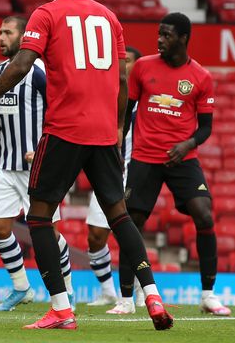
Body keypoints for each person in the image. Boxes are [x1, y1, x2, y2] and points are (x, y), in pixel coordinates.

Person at [0, 0, 173, 331]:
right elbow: (123, 80)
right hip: (103, 131)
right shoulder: (109, 18)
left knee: (39, 217)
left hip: (64, 130)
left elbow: (22, 64)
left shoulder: (46, 13)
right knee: (120, 216)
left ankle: (61, 309)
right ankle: (153, 295)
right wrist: (118, 127)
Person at [118, 12, 230, 316]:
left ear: (183, 38)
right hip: (145, 157)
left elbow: (205, 128)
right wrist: (119, 141)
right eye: (159, 34)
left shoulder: (201, 77)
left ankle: (208, 295)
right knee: (132, 221)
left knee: (204, 215)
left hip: (182, 159)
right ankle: (126, 299)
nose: (160, 40)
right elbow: (127, 110)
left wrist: (188, 144)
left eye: (166, 35)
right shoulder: (142, 67)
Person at [0, 16, 75, 312]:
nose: (0, 37)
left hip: (36, 165)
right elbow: (0, 106)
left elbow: (58, 111)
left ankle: (67, 290)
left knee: (50, 234)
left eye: (7, 32)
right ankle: (20, 287)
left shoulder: (40, 71)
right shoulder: (1, 71)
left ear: (23, 36)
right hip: (6, 163)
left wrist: (44, 146)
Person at [83, 46, 146, 310]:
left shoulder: (146, 101)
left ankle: (138, 290)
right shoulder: (109, 96)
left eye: (130, 62)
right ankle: (108, 291)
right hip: (109, 171)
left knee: (127, 233)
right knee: (95, 235)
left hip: (136, 172)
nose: (126, 66)